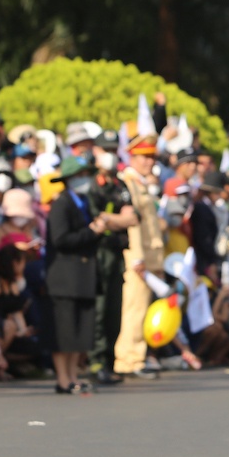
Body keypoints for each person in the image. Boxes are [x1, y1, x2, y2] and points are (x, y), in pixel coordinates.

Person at [45, 157, 105, 394]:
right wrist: (90, 232)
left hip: (81, 277)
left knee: (77, 333)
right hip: (65, 277)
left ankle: (72, 376)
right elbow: (60, 239)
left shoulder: (82, 201)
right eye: (80, 175)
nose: (84, 179)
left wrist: (96, 231)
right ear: (70, 179)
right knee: (64, 332)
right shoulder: (62, 203)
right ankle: (63, 378)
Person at [113, 134, 166, 380]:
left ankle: (138, 356)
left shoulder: (142, 183)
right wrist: (136, 257)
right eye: (144, 157)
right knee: (134, 308)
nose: (149, 162)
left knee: (142, 308)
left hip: (151, 255)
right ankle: (128, 359)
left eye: (152, 157)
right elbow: (133, 224)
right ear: (132, 157)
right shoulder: (129, 182)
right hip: (139, 257)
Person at [90, 136, 136, 385]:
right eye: (104, 150)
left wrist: (111, 219)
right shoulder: (91, 185)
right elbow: (95, 218)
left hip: (117, 252)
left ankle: (109, 360)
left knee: (114, 309)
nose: (108, 154)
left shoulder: (120, 184)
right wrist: (112, 218)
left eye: (112, 150)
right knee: (99, 308)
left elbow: (132, 218)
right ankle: (96, 361)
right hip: (99, 252)